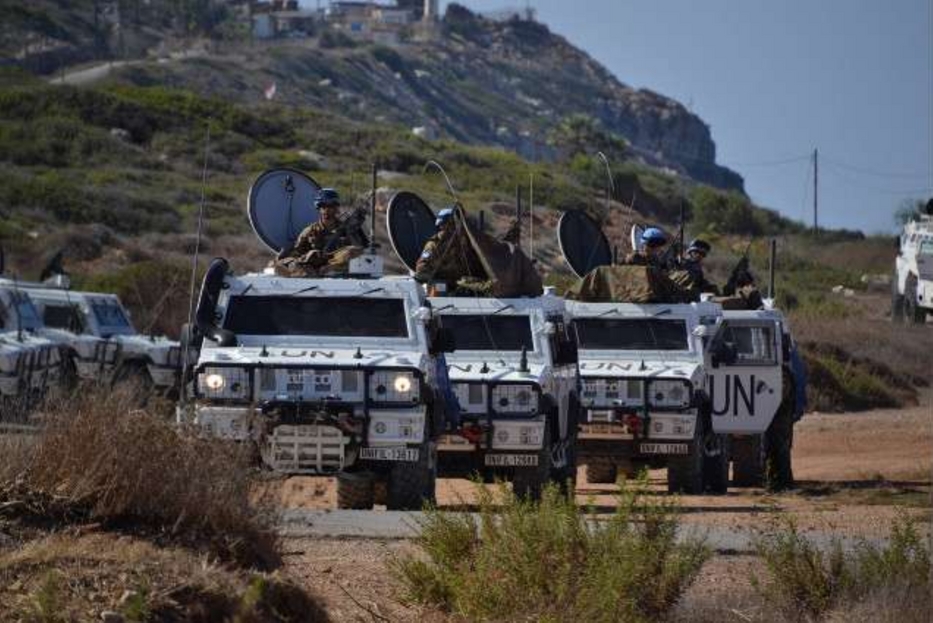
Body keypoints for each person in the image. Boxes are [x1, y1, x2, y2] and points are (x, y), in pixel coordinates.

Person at [274, 188, 369, 276]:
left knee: (352, 251)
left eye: (330, 206)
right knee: (290, 262)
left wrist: (353, 232)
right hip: (313, 264)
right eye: (323, 207)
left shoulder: (345, 228)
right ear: (319, 208)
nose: (326, 210)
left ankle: (326, 270)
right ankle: (308, 271)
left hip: (334, 263)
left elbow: (358, 248)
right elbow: (297, 251)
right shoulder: (310, 230)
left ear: (336, 208)